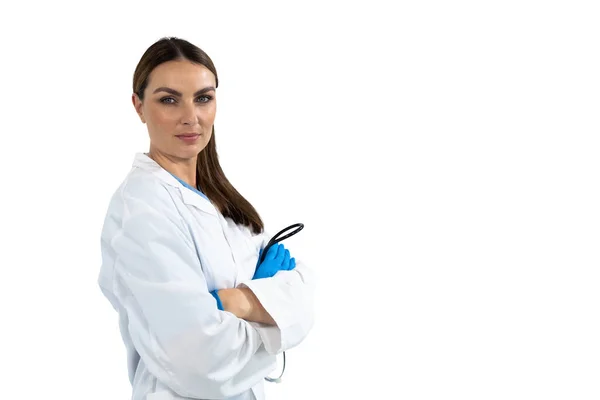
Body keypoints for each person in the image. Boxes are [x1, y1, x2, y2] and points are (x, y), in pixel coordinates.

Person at [97, 37, 316, 400]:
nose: (190, 117)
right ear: (138, 106)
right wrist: (268, 309)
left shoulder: (224, 204)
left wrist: (233, 301)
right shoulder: (141, 210)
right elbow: (200, 359)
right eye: (169, 99)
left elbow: (305, 295)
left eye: (203, 98)